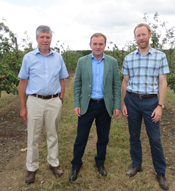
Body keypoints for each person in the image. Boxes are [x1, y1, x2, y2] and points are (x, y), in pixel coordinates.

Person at [121, 23, 169, 190]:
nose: (141, 38)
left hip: (151, 102)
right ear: (135, 38)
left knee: (154, 139)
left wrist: (160, 105)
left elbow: (163, 82)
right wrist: (123, 103)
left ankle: (160, 172)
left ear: (149, 35)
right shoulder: (129, 58)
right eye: (138, 35)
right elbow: (125, 81)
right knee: (134, 136)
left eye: (143, 34)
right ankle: (137, 164)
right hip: (132, 101)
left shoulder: (160, 56)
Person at [18, 25, 69, 184]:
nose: (45, 40)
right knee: (32, 136)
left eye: (48, 37)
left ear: (51, 38)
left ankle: (53, 163)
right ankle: (31, 167)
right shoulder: (29, 57)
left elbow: (62, 80)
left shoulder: (58, 57)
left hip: (54, 101)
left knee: (52, 134)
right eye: (42, 37)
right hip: (35, 101)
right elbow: (23, 82)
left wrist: (60, 99)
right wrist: (23, 107)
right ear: (37, 39)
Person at [70, 33, 121, 181]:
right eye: (95, 44)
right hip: (88, 105)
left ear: (105, 45)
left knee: (103, 137)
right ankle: (76, 165)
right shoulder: (82, 61)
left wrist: (116, 104)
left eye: (101, 44)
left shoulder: (112, 62)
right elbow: (77, 84)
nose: (98, 47)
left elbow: (116, 85)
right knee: (81, 138)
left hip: (105, 106)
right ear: (90, 45)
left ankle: (100, 162)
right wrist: (76, 104)